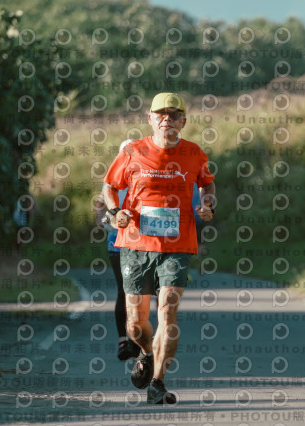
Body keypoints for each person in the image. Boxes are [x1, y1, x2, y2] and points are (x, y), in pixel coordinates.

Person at [102, 92, 216, 404]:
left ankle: (158, 382)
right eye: (161, 114)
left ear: (183, 121)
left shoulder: (194, 153)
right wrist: (115, 212)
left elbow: (207, 183)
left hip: (178, 245)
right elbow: (110, 187)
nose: (167, 119)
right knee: (136, 323)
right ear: (150, 119)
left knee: (167, 310)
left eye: (174, 114)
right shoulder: (133, 151)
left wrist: (208, 204)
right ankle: (146, 352)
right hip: (136, 244)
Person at [94, 147, 141, 361]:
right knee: (124, 291)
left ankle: (138, 338)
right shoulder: (111, 183)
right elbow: (101, 212)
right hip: (117, 245)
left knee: (139, 292)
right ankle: (124, 340)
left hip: (141, 245)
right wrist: (104, 217)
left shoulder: (145, 179)